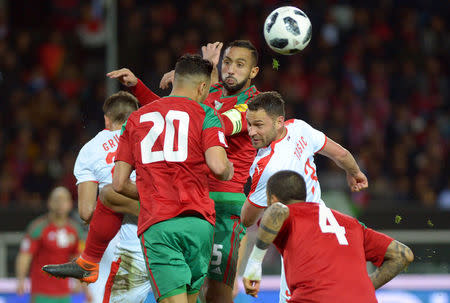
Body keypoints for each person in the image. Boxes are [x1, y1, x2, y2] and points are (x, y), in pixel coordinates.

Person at [107, 40, 260, 302]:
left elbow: (211, 122)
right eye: (226, 62)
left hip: (223, 208)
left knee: (217, 297)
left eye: (239, 64)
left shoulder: (252, 104)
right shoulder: (208, 97)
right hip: (194, 204)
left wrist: (198, 82)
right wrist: (143, 88)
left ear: (254, 72)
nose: (230, 69)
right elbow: (174, 116)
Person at [240, 91, 369, 302]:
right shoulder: (299, 127)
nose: (251, 132)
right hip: (329, 230)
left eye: (259, 125)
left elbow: (247, 219)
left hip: (301, 248)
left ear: (279, 122)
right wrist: (354, 173)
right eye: (249, 124)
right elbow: (341, 154)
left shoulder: (267, 166)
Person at [43, 91, 152, 303]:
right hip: (169, 234)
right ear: (136, 115)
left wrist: (113, 213)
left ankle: (88, 262)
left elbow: (85, 213)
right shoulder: (152, 137)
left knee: (108, 193)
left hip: (126, 247)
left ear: (106, 119)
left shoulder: (90, 149)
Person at [242, 170, 414, 302]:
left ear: (272, 199)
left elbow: (277, 211)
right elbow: (403, 255)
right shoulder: (351, 224)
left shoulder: (290, 215)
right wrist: (362, 287)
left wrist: (254, 262)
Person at [15, 186, 89, 303]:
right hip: (41, 293)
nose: (60, 204)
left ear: (70, 204)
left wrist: (84, 286)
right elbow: (25, 256)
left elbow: (80, 259)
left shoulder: (75, 230)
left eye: (64, 200)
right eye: (57, 200)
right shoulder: (38, 228)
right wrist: (21, 280)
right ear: (49, 203)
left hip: (64, 294)